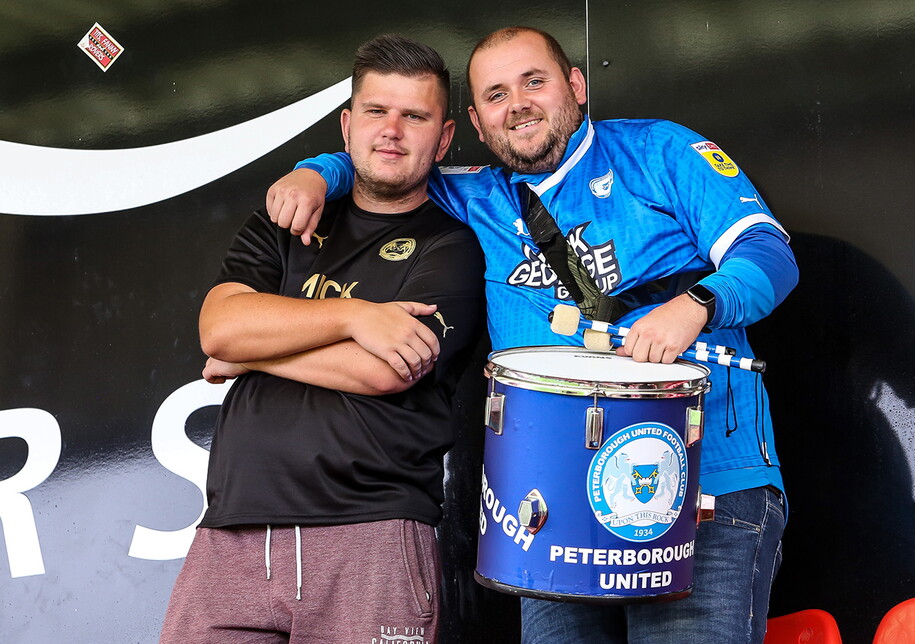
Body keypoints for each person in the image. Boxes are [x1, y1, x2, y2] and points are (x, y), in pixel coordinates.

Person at [266, 26, 798, 644]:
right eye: (495, 94)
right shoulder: (471, 195)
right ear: (474, 121)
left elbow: (769, 252)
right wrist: (315, 172)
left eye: (534, 81)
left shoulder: (662, 152)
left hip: (699, 484)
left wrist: (697, 304)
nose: (516, 103)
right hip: (549, 503)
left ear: (576, 85)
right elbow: (387, 162)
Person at [159, 35, 485, 643]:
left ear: (443, 138)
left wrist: (255, 354)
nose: (391, 131)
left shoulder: (454, 246)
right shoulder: (288, 221)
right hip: (233, 532)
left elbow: (387, 370)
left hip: (373, 536)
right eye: (375, 112)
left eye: (414, 116)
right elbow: (220, 327)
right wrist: (354, 317)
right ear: (347, 124)